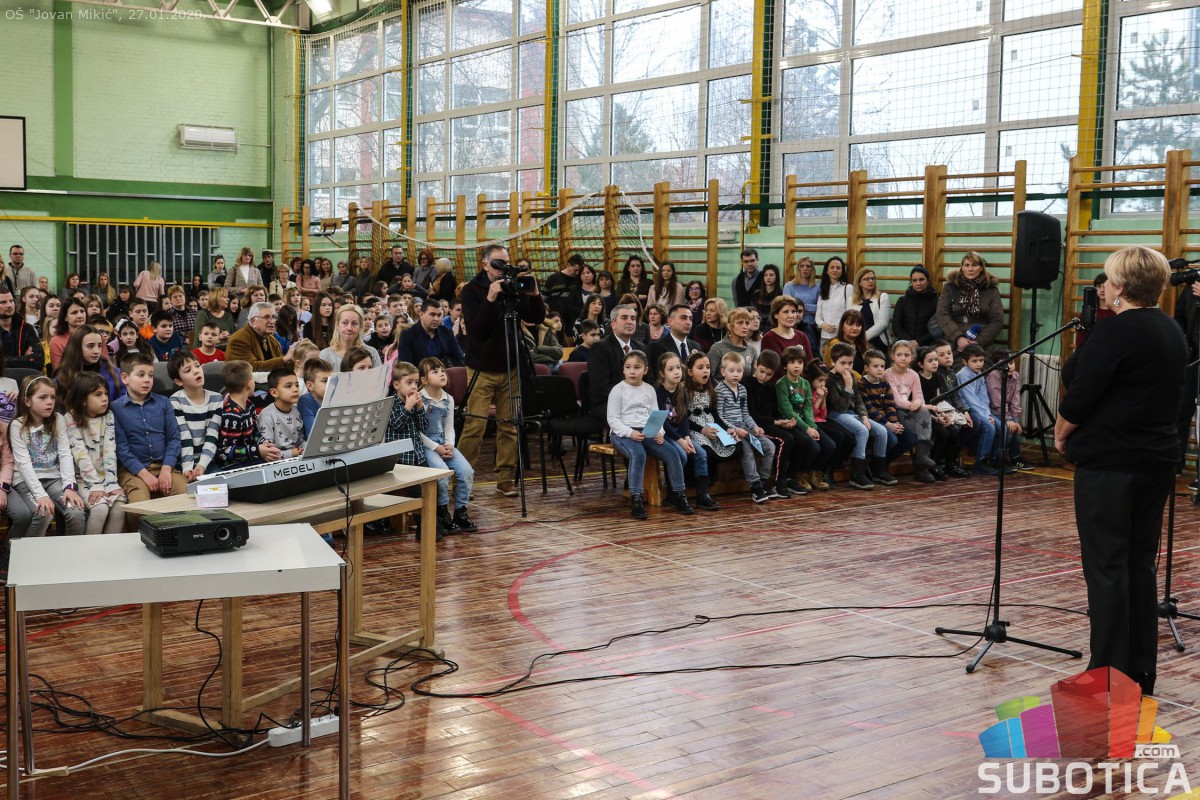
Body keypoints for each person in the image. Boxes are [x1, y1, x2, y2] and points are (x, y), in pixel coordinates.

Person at [1054, 245, 1186, 697]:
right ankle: (1139, 671)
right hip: (1156, 459)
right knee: (1138, 565)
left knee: (1107, 567)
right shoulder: (1170, 329)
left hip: (1111, 462)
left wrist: (1061, 432)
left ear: (1123, 287)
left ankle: (1106, 675)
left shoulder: (1115, 331)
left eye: (1109, 280)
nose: (1105, 287)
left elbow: (1081, 393)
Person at [458, 244, 546, 498]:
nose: (502, 269)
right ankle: (461, 479)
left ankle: (505, 479)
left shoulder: (512, 287)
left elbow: (536, 318)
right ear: (485, 265)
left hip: (511, 366)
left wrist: (534, 294)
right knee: (475, 426)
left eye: (506, 263)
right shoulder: (472, 290)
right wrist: (490, 299)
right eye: (498, 264)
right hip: (481, 368)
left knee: (509, 426)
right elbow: (477, 329)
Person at [607, 349, 694, 519]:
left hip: (647, 430)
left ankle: (678, 494)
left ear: (645, 370)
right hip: (623, 433)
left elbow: (655, 415)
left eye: (637, 367)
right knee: (638, 454)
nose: (632, 371)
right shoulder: (618, 390)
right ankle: (637, 498)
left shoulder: (649, 390)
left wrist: (659, 431)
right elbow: (613, 419)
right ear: (623, 369)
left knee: (673, 454)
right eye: (628, 367)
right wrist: (630, 433)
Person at [8, 376, 86, 537]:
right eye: (42, 397)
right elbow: (24, 464)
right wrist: (41, 495)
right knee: (44, 512)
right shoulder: (17, 425)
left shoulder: (58, 419)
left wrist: (69, 486)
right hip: (26, 482)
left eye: (52, 397)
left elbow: (65, 454)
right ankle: (23, 551)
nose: (50, 402)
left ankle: (71, 551)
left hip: (53, 479)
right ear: (27, 401)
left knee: (76, 512)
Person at [113, 351, 188, 502]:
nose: (147, 380)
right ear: (125, 378)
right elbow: (122, 449)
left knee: (186, 495)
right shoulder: (115, 408)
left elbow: (174, 438)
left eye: (151, 375)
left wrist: (166, 469)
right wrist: (145, 475)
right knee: (139, 504)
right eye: (141, 375)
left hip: (163, 465)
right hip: (133, 470)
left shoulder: (163, 402)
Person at [418, 357, 477, 533]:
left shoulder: (448, 399)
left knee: (466, 471)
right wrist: (436, 448)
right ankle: (442, 512)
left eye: (442, 370)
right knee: (442, 474)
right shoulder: (420, 399)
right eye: (435, 372)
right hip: (427, 444)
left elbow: (449, 427)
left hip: (443, 442)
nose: (442, 374)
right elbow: (417, 432)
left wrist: (449, 444)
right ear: (424, 380)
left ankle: (461, 511)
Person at [63, 372, 127, 533]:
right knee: (100, 508)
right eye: (98, 394)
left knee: (120, 505)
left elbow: (110, 451)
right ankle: (90, 547)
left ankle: (110, 548)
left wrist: (111, 483)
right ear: (83, 399)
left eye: (106, 393)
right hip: (83, 480)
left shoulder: (108, 416)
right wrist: (96, 485)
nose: (105, 398)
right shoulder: (70, 418)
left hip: (106, 478)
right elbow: (80, 455)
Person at [656, 351, 719, 511]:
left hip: (680, 433)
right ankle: (675, 494)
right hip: (667, 434)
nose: (676, 372)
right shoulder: (658, 392)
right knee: (680, 455)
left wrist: (687, 437)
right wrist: (680, 440)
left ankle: (702, 495)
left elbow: (684, 417)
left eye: (678, 367)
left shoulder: (681, 391)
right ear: (662, 373)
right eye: (671, 369)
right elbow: (663, 423)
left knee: (701, 454)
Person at [746, 349, 813, 498]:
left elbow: (774, 411)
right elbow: (752, 414)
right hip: (756, 425)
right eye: (762, 371)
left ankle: (790, 478)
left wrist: (784, 422)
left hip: (771, 423)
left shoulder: (770, 387)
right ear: (756, 365)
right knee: (786, 439)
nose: (764, 377)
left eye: (769, 374)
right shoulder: (747, 384)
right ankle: (778, 481)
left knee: (802, 439)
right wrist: (776, 422)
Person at [714, 351, 777, 503]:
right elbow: (719, 416)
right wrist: (734, 429)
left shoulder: (742, 389)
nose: (736, 374)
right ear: (723, 372)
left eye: (739, 371)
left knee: (770, 447)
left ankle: (763, 481)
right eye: (731, 370)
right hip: (730, 431)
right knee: (746, 450)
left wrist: (754, 427)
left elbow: (745, 413)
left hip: (745, 428)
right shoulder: (719, 390)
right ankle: (755, 487)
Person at [826, 342, 887, 490]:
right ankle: (857, 474)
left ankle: (879, 471)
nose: (847, 367)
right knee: (862, 430)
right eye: (843, 363)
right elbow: (840, 407)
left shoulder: (852, 376)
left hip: (853, 414)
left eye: (850, 363)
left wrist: (864, 416)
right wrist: (847, 387)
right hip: (836, 414)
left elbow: (859, 400)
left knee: (881, 431)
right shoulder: (829, 379)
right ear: (833, 362)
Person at [775, 345, 836, 492]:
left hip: (805, 423)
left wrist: (812, 427)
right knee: (811, 446)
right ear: (785, 365)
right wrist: (807, 428)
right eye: (792, 362)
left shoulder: (805, 383)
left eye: (800, 362)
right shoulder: (781, 384)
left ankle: (814, 473)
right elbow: (787, 410)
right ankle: (796, 475)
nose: (796, 366)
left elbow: (808, 408)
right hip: (790, 423)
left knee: (830, 445)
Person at [884, 340, 938, 482]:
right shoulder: (888, 374)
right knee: (920, 426)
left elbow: (919, 396)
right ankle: (921, 466)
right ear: (892, 356)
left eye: (907, 355)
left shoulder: (913, 374)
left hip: (909, 409)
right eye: (899, 355)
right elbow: (896, 400)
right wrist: (917, 405)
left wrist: (918, 403)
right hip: (894, 411)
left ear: (912, 357)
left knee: (924, 414)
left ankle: (922, 458)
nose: (903, 358)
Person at [214, 360, 281, 472]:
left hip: (250, 458)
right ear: (250, 384)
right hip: (232, 466)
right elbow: (225, 451)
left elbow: (254, 432)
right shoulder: (231, 414)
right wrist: (257, 450)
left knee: (276, 459)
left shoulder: (250, 405)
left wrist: (263, 442)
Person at [167, 351, 223, 483]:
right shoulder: (175, 401)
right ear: (179, 381)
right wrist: (187, 469)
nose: (196, 371)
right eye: (188, 370)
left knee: (221, 484)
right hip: (182, 464)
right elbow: (184, 437)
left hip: (208, 462)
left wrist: (201, 465)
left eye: (197, 366)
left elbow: (212, 436)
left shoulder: (216, 398)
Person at [935, 251, 1005, 355]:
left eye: (974, 265)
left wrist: (978, 342)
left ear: (981, 268)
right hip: (953, 340)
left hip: (981, 343)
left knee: (983, 364)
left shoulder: (991, 290)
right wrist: (958, 337)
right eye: (967, 265)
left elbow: (997, 320)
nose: (970, 269)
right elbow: (942, 314)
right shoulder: (950, 287)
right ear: (962, 268)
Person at [586, 303, 648, 421]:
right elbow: (601, 387)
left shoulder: (642, 348)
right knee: (636, 418)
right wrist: (632, 398)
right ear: (613, 324)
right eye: (624, 318)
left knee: (661, 414)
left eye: (633, 318)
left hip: (639, 402)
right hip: (609, 403)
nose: (630, 322)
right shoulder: (600, 348)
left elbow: (649, 380)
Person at [857, 349, 909, 483]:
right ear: (866, 368)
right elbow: (869, 408)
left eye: (882, 366)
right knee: (892, 439)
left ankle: (878, 465)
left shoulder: (885, 383)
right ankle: (878, 470)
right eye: (875, 366)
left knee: (909, 438)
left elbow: (890, 406)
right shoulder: (862, 384)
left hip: (885, 420)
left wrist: (894, 423)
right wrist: (888, 424)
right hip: (870, 419)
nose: (880, 369)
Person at [916, 345, 964, 479]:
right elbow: (920, 404)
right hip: (923, 413)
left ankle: (950, 464)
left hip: (936, 411)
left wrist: (944, 415)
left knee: (954, 430)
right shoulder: (917, 378)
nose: (935, 363)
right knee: (942, 433)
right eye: (930, 361)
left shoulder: (937, 375)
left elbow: (939, 400)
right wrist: (936, 418)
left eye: (936, 360)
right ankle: (933, 465)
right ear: (920, 364)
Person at [956, 343, 1003, 475]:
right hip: (968, 409)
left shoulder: (979, 374)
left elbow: (984, 399)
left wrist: (988, 415)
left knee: (1001, 427)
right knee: (989, 428)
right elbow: (971, 400)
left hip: (981, 410)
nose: (979, 364)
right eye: (974, 361)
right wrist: (986, 417)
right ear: (965, 362)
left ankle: (993, 461)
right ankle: (980, 463)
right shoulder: (963, 375)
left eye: (981, 360)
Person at [985, 347, 1033, 471]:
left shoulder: (1015, 375)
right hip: (994, 410)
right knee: (1008, 429)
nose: (1009, 366)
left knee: (1015, 428)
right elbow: (997, 401)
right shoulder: (994, 375)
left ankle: (1016, 457)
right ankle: (1001, 458)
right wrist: (1008, 419)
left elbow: (1015, 399)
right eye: (1005, 364)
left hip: (1007, 411)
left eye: (1011, 362)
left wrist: (1015, 417)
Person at [55, 324, 123, 401]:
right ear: (77, 347)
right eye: (90, 346)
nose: (97, 351)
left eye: (99, 346)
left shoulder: (113, 373)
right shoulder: (62, 378)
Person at [226, 302, 294, 372]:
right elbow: (251, 368)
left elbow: (281, 365)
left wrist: (296, 355)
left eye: (273, 317)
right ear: (253, 321)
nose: (272, 321)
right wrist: (284, 359)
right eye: (266, 317)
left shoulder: (273, 340)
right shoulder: (239, 340)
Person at [396, 302, 465, 367]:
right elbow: (406, 366)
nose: (436, 319)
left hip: (443, 372)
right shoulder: (408, 335)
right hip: (418, 374)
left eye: (439, 315)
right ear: (421, 315)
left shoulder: (446, 332)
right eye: (432, 315)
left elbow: (460, 358)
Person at [259, 367, 306, 459]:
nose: (295, 389)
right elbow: (268, 453)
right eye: (288, 386)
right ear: (274, 392)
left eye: (297, 385)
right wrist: (292, 453)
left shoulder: (297, 410)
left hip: (298, 457)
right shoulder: (266, 416)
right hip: (279, 462)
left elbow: (301, 441)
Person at [320, 304, 381, 370]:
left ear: (360, 326)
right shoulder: (325, 355)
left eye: (354, 323)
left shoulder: (372, 352)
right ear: (337, 325)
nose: (349, 328)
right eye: (345, 323)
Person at [891, 266, 940, 347]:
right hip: (905, 345)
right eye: (914, 280)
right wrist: (909, 342)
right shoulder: (902, 300)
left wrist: (919, 342)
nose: (918, 283)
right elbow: (896, 326)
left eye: (921, 279)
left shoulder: (936, 301)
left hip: (928, 346)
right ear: (911, 282)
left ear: (928, 281)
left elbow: (937, 327)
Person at [760, 295, 815, 366]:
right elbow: (778, 367)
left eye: (793, 311)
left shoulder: (802, 335)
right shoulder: (769, 338)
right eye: (786, 312)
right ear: (776, 314)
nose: (791, 316)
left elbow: (810, 363)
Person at [815, 256, 852, 353]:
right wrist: (822, 324)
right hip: (824, 337)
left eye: (838, 268)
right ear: (827, 271)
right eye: (832, 267)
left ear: (842, 271)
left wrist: (840, 327)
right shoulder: (823, 290)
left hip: (841, 337)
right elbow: (818, 314)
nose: (835, 270)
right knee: (824, 362)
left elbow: (850, 313)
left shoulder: (847, 288)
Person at [0, 287, 42, 372]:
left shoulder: (27, 329)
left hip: (24, 378)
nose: (9, 305)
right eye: (3, 302)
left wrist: (3, 360)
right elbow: (31, 361)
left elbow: (38, 360)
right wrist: (24, 358)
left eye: (11, 301)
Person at [707, 307, 758, 376]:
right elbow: (709, 376)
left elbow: (754, 378)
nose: (745, 326)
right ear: (730, 326)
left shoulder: (752, 350)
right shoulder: (717, 348)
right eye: (740, 323)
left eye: (747, 323)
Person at [784, 256, 821, 348]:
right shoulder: (789, 286)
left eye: (808, 266)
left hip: (812, 327)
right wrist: (810, 307)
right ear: (798, 269)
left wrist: (802, 307)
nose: (805, 268)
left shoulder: (817, 287)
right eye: (802, 266)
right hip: (793, 326)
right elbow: (787, 306)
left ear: (812, 269)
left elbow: (820, 309)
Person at [854, 269, 891, 350]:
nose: (871, 281)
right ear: (859, 283)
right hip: (857, 342)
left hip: (878, 342)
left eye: (872, 278)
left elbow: (883, 323)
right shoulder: (852, 300)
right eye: (866, 279)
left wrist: (863, 337)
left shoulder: (883, 297)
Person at [49, 297, 88, 371]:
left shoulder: (96, 336)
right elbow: (59, 372)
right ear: (65, 317)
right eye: (74, 313)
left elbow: (105, 366)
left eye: (82, 311)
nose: (80, 316)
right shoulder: (56, 342)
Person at [543, 253, 584, 324]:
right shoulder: (553, 278)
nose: (577, 273)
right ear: (569, 265)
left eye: (579, 271)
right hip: (555, 318)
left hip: (572, 319)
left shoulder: (579, 280)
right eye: (575, 270)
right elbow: (544, 298)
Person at [299, 358, 333, 436]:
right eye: (325, 381)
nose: (331, 384)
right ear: (310, 386)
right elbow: (313, 432)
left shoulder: (334, 398)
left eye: (332, 380)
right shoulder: (305, 401)